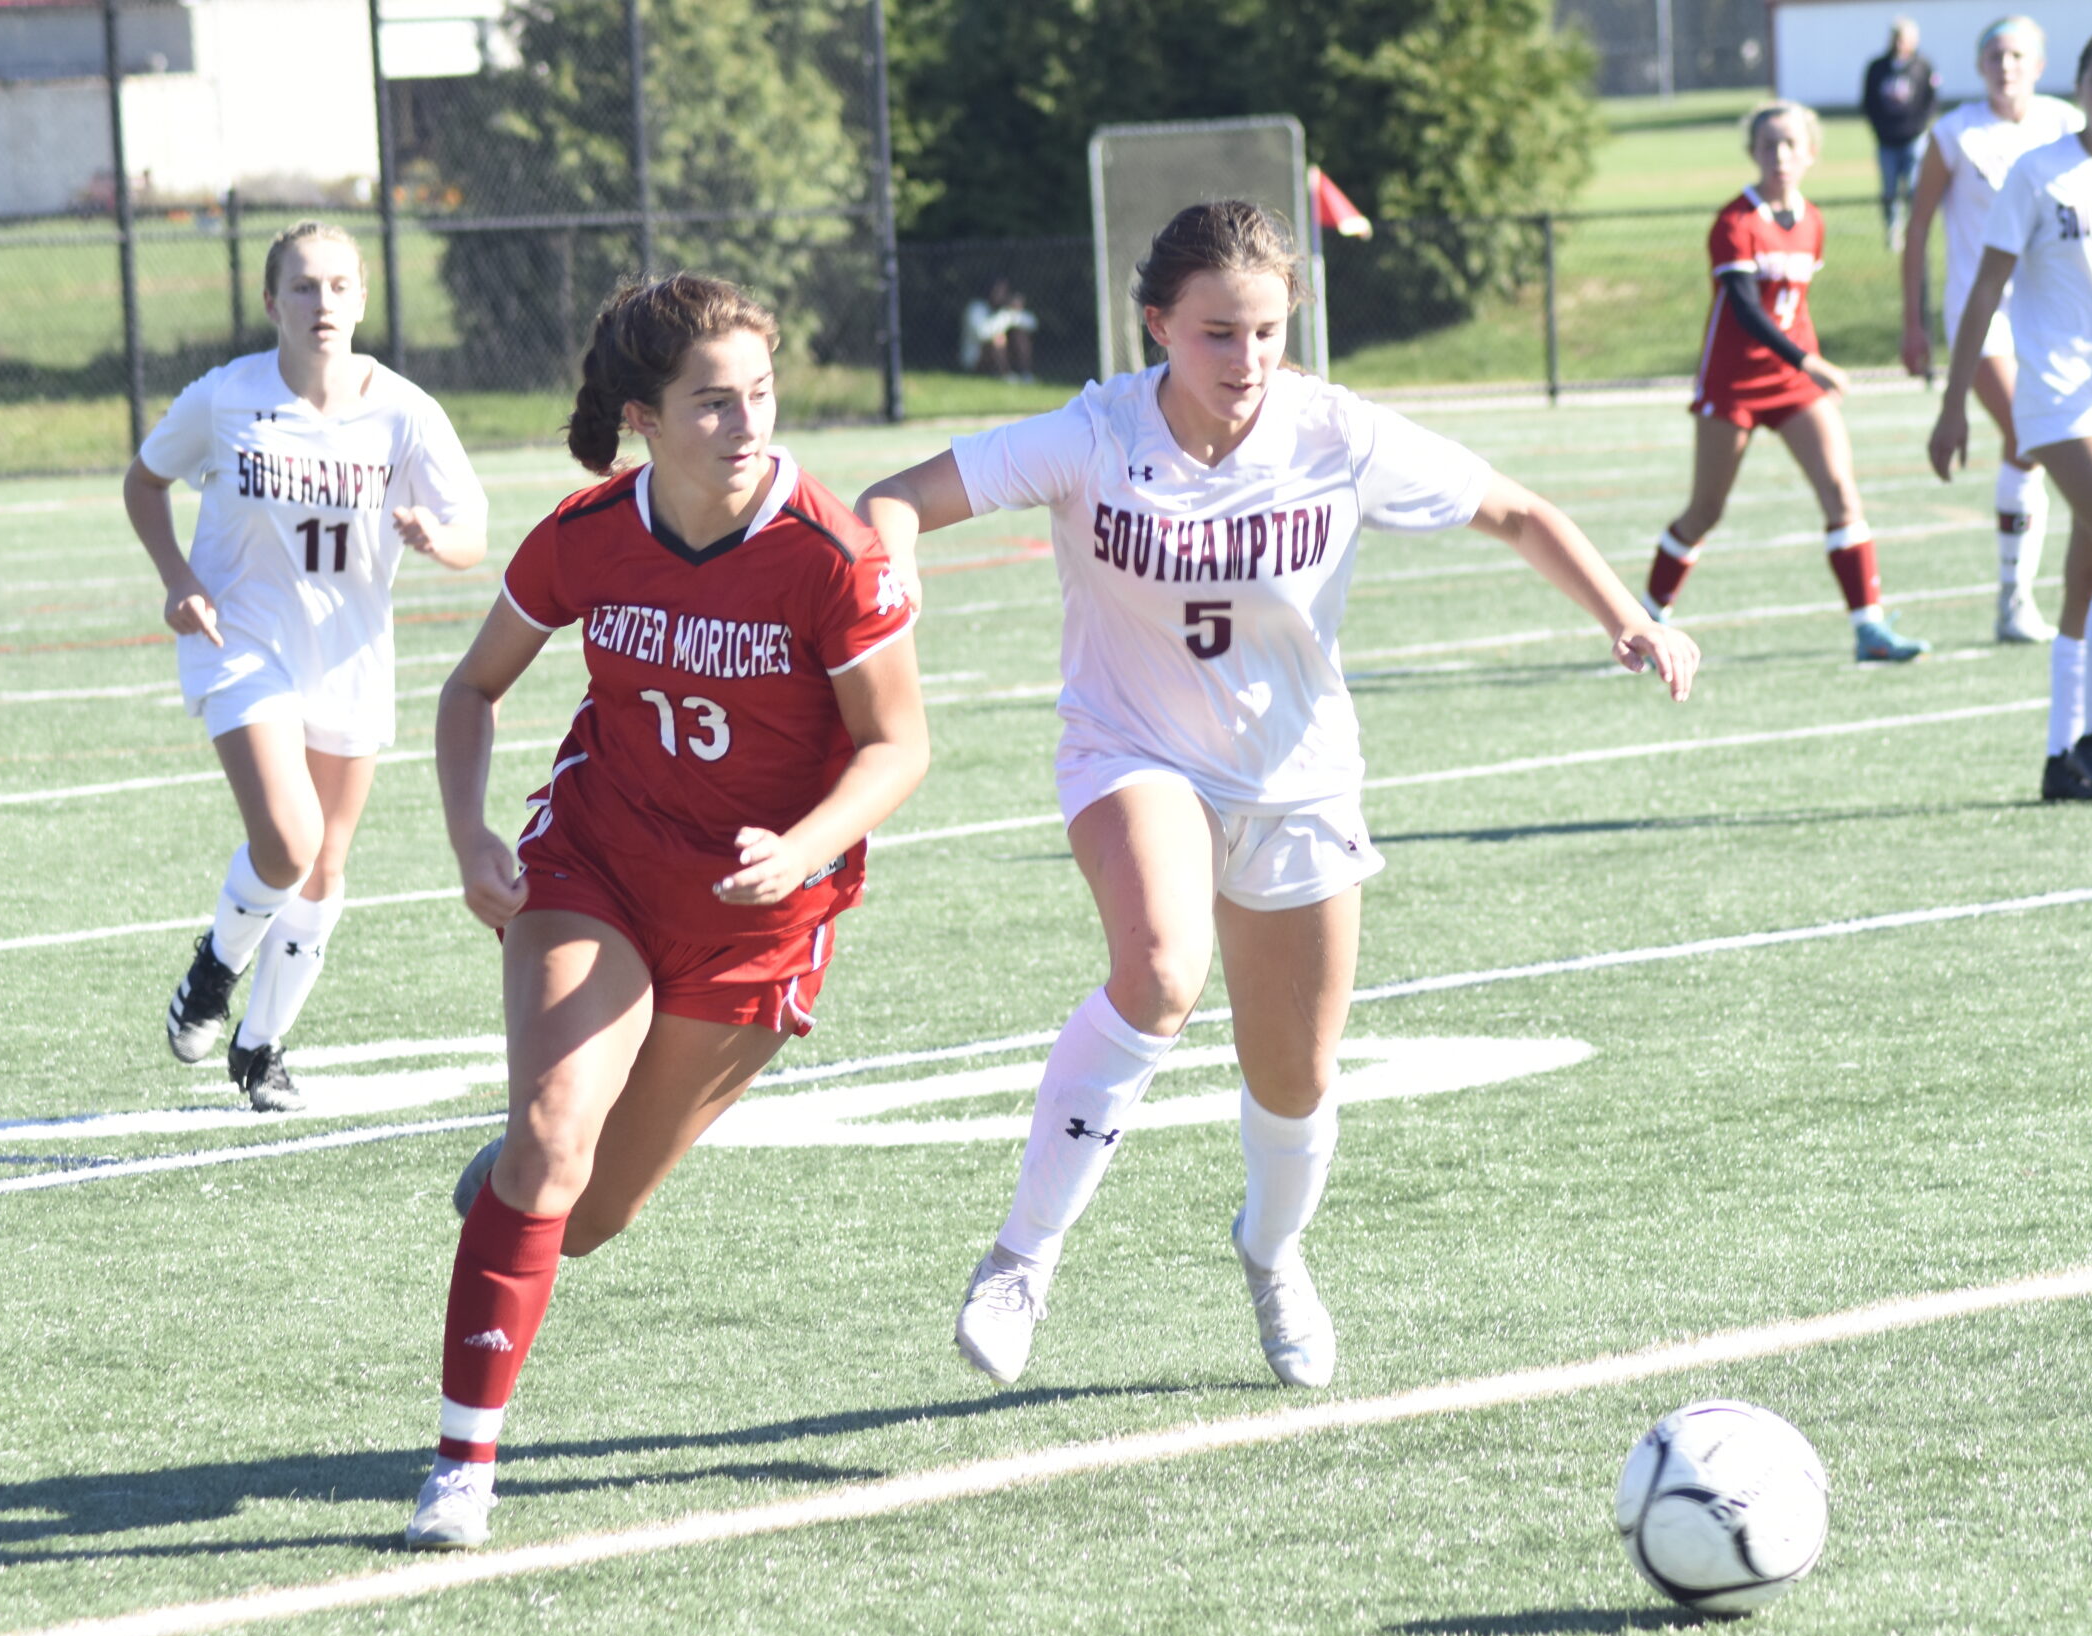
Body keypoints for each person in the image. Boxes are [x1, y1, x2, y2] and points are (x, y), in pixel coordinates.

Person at [856, 200, 1701, 1394]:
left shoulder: (1334, 433)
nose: (1242, 360)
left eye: (1262, 331)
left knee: (1294, 1076)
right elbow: (890, 497)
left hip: (1297, 778)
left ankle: (1271, 1250)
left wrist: (1628, 618)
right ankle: (1021, 1257)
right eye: (1213, 333)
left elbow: (1516, 510)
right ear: (1156, 325)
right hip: (1131, 750)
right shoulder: (1092, 436)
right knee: (1158, 969)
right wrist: (890, 570)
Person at [404, 273, 927, 1549]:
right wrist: (471, 833)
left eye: (758, 395)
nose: (745, 425)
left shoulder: (832, 554)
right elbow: (472, 693)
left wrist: (800, 847)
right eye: (711, 403)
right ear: (644, 415)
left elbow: (899, 747)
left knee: (590, 1216)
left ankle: (522, 1194)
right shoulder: (586, 534)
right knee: (550, 1136)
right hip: (600, 865)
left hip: (757, 916)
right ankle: (461, 1467)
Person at [127, 220, 487, 1112]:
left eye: (337, 286)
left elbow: (473, 532)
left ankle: (261, 1046)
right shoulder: (226, 398)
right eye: (302, 286)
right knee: (288, 842)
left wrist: (437, 538)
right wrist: (178, 580)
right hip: (243, 644)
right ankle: (215, 969)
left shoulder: (406, 411)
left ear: (362, 298)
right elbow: (144, 481)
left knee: (325, 866)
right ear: (269, 303)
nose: (321, 303)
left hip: (351, 655)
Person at [1929, 27, 2092, 801]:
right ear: (2076, 87)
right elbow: (1985, 292)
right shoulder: (2039, 173)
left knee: (2091, 574)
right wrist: (1954, 406)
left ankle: (2059, 760)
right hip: (2058, 395)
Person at [1646, 103, 1927, 665]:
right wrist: (1810, 360)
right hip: (1733, 383)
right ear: (1752, 151)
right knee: (1705, 511)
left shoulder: (1813, 221)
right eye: (1768, 144)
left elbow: (1792, 307)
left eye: (1790, 145)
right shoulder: (1735, 222)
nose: (1779, 156)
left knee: (1843, 495)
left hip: (1794, 381)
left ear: (1810, 154)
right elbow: (1747, 310)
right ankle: (1644, 622)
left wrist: (1804, 364)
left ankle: (1868, 627)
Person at [1900, 16, 2083, 644]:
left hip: (2047, 310)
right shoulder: (1955, 134)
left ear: (2039, 63)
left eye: (2018, 55)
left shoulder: (2065, 125)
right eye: (1996, 55)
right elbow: (1918, 227)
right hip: (1980, 314)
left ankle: (2019, 595)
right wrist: (1912, 322)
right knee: (2025, 432)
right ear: (1980, 66)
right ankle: (2015, 599)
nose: (2007, 66)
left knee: (2032, 443)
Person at [1864, 18, 1942, 249]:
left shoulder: (1923, 65)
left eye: (1905, 39)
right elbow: (1868, 101)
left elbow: (1932, 100)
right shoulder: (1877, 67)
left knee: (1914, 188)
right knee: (1889, 190)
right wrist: (1879, 128)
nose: (1900, 43)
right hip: (1887, 140)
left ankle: (1914, 231)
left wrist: (1919, 126)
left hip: (1913, 139)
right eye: (1896, 38)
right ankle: (1892, 232)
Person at [960, 278, 1039, 381]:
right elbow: (982, 334)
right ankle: (1005, 375)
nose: (1002, 295)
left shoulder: (1006, 310)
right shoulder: (976, 308)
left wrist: (1015, 312)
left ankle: (1025, 374)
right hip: (976, 359)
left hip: (1003, 356)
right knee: (999, 338)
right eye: (998, 291)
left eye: (1005, 291)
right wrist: (1008, 314)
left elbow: (1033, 324)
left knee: (1020, 335)